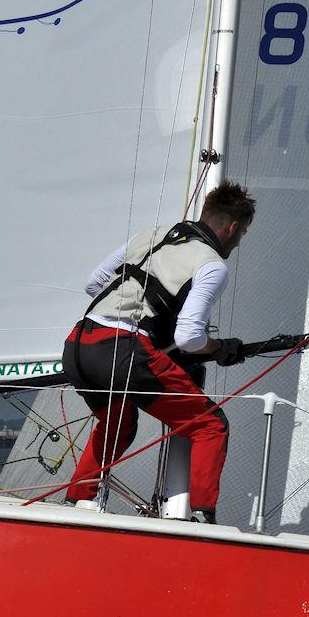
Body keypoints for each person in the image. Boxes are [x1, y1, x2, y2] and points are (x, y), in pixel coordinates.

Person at [62, 180, 256, 523]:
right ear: (234, 227)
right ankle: (202, 520)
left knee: (119, 421)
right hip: (121, 352)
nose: (238, 244)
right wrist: (221, 347)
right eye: (241, 237)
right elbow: (189, 338)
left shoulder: (152, 235)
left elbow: (94, 283)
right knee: (210, 424)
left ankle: (76, 500)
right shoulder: (211, 264)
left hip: (78, 343)